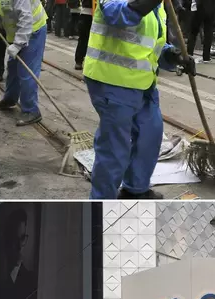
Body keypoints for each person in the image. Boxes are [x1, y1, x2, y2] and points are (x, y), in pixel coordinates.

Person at [82, 0, 196, 199]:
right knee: (115, 148)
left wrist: (173, 56)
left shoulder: (159, 5)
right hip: (112, 81)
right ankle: (101, 206)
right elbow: (118, 15)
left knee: (150, 134)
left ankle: (135, 188)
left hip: (143, 83)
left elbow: (150, 44)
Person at [0, 0, 48, 126]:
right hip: (20, 32)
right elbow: (2, 8)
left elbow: (25, 18)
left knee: (26, 71)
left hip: (33, 30)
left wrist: (18, 44)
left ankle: (31, 110)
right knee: (12, 68)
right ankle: (10, 99)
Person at [73, 0, 93, 69]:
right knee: (83, 38)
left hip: (95, 12)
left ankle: (80, 61)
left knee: (84, 39)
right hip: (87, 13)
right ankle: (79, 61)